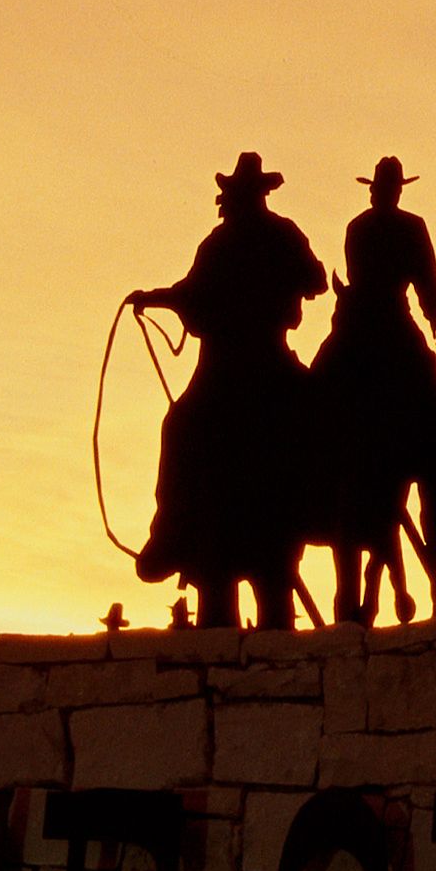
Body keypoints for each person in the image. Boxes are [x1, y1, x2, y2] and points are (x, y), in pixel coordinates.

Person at [128, 151, 327, 629]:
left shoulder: (240, 240)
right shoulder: (272, 235)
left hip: (230, 365)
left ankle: (170, 532)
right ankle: (318, 509)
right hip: (258, 362)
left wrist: (160, 298)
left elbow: (193, 294)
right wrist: (156, 297)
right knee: (188, 424)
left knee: (181, 426)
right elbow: (316, 281)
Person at [311, 157, 436, 624]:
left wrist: (433, 308)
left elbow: (379, 278)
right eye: (387, 188)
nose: (386, 194)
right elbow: (426, 277)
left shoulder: (357, 227)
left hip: (358, 327)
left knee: (316, 392)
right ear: (390, 191)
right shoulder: (409, 227)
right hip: (387, 325)